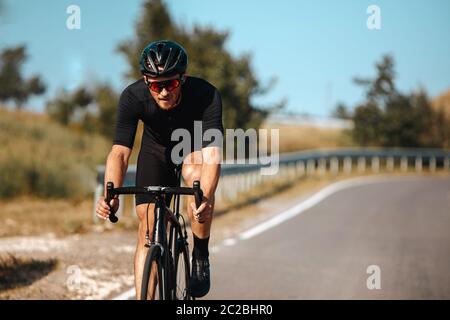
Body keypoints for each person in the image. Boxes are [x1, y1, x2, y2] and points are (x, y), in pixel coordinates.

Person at [95, 40, 223, 298]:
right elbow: (119, 153)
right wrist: (111, 195)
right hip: (156, 153)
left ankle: (200, 253)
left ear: (183, 79)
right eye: (155, 85)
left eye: (170, 84)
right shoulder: (133, 97)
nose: (163, 92)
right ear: (145, 81)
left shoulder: (206, 95)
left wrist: (206, 199)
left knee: (197, 184)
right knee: (149, 225)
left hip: (192, 149)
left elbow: (212, 155)